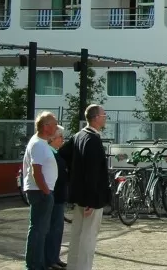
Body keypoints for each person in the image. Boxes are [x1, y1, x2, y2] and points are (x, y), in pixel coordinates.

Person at [65, 104, 110, 270]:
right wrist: (91, 199)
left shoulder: (78, 136)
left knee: (77, 234)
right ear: (96, 118)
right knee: (88, 236)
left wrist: (74, 178)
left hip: (78, 195)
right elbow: (93, 172)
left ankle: (73, 266)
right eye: (104, 115)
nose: (105, 117)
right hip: (91, 198)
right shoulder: (93, 140)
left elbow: (63, 155)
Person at [22, 111, 58, 270]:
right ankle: (34, 265)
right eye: (54, 124)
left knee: (41, 230)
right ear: (46, 126)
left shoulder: (41, 143)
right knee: (38, 230)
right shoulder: (37, 144)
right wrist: (46, 191)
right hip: (40, 191)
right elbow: (36, 171)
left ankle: (38, 263)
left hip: (42, 190)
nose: (56, 127)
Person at [46, 125, 69, 270]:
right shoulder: (51, 154)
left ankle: (55, 257)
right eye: (60, 137)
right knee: (53, 229)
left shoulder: (57, 153)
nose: (62, 139)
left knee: (58, 229)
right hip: (54, 195)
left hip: (59, 196)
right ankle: (50, 259)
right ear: (52, 138)